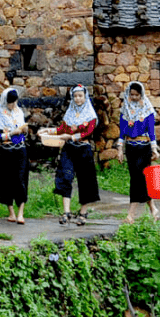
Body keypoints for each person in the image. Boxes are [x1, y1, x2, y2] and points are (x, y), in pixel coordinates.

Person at [115, 81, 160, 223]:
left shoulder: (147, 110)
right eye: (132, 94)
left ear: (141, 94)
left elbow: (151, 131)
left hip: (144, 148)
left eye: (137, 95)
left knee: (138, 180)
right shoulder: (125, 110)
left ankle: (131, 215)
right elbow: (122, 131)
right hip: (131, 148)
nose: (134, 97)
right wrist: (120, 149)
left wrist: (154, 149)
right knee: (139, 179)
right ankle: (153, 208)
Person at [54, 85, 100, 226]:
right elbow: (62, 129)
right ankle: (66, 212)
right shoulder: (70, 113)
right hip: (69, 149)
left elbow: (88, 132)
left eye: (80, 96)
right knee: (65, 176)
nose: (78, 98)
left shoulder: (90, 115)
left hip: (83, 148)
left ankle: (83, 211)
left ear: (85, 97)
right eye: (75, 96)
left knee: (85, 180)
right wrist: (48, 131)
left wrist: (73, 137)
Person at [0, 87, 29, 224]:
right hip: (7, 150)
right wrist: (11, 134)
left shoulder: (19, 112)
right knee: (8, 181)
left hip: (20, 150)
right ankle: (11, 212)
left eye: (14, 102)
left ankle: (21, 213)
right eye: (10, 102)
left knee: (21, 179)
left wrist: (24, 130)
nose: (13, 105)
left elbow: (23, 130)